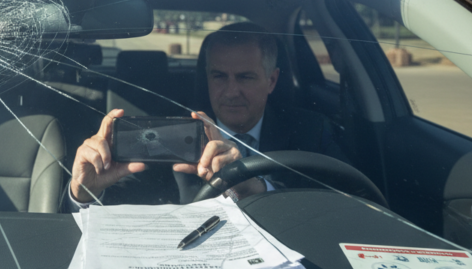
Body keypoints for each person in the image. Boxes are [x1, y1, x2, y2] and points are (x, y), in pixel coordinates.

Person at [68, 23, 347, 208]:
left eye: (245, 77)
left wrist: (258, 189)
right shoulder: (173, 134)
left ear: (272, 81)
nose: (231, 91)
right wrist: (84, 194)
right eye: (219, 76)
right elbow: (123, 202)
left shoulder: (311, 131)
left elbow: (347, 207)